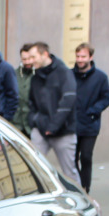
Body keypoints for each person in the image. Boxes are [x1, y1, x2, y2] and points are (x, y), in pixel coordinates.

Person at [27, 41, 79, 183]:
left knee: (69, 172)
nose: (31, 61)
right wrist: (34, 121)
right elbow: (31, 103)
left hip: (63, 131)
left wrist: (53, 126)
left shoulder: (64, 73)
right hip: (40, 129)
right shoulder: (35, 77)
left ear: (45, 54)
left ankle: (79, 201)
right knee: (32, 168)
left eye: (33, 57)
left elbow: (68, 100)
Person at [71, 42, 109, 193]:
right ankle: (76, 186)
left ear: (91, 57)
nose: (80, 59)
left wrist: (93, 110)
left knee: (86, 157)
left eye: (83, 56)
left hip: (90, 123)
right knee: (71, 159)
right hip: (72, 124)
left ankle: (85, 188)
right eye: (78, 56)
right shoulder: (69, 75)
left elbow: (107, 97)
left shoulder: (100, 77)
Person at [13, 44, 36, 136]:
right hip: (16, 124)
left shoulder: (39, 75)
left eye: (30, 59)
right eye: (24, 59)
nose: (27, 62)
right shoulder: (14, 74)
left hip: (33, 125)